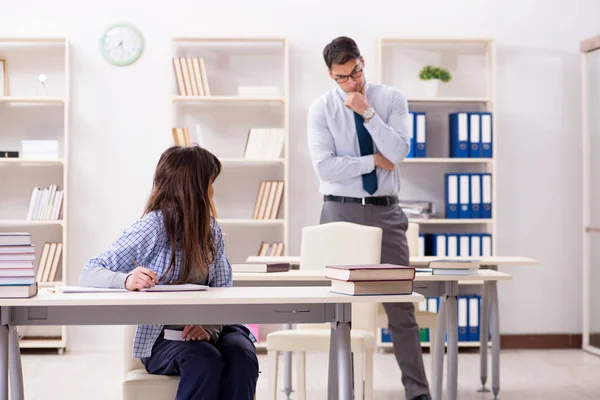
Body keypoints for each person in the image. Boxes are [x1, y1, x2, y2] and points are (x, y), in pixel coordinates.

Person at [80, 145, 259, 400]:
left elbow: (223, 289)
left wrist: (208, 327)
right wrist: (127, 279)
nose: (213, 191)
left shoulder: (210, 230)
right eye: (210, 183)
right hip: (162, 339)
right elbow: (89, 272)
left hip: (213, 327)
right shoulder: (151, 228)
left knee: (242, 355)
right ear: (193, 188)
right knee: (204, 359)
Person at [306, 36, 431, 400]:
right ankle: (338, 391)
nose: (351, 83)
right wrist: (372, 160)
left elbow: (399, 151)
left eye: (355, 73)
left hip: (385, 212)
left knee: (400, 307)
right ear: (330, 74)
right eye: (341, 77)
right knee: (335, 305)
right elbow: (325, 168)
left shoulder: (390, 99)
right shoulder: (321, 109)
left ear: (362, 62)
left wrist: (367, 113)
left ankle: (418, 393)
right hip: (338, 211)